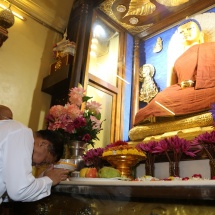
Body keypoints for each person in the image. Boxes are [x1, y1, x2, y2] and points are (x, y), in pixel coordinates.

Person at [134, 18, 215, 125]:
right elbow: (170, 87)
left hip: (209, 88)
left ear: (201, 34)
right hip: (182, 93)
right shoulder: (177, 60)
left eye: (190, 28)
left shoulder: (212, 47)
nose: (186, 32)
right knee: (159, 100)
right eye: (182, 31)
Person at [0, 119, 69, 205]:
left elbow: (7, 192)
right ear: (43, 144)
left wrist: (39, 181)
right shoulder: (23, 133)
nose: (37, 166)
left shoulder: (15, 131)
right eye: (44, 161)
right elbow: (18, 191)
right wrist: (49, 180)